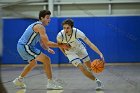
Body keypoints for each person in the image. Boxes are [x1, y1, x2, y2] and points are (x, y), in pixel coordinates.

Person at [13, 10, 70, 89]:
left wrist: (47, 49)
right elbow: (47, 42)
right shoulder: (40, 26)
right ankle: (50, 83)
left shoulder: (38, 26)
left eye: (49, 18)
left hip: (23, 46)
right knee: (46, 60)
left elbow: (42, 43)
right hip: (25, 46)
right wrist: (62, 45)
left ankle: (19, 80)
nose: (49, 20)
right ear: (41, 18)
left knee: (33, 63)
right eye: (47, 18)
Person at [57, 19, 104, 90]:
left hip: (79, 48)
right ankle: (97, 81)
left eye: (68, 28)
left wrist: (100, 53)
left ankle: (90, 70)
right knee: (81, 67)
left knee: (90, 67)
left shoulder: (78, 32)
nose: (66, 30)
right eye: (64, 28)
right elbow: (59, 45)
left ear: (72, 27)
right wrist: (65, 54)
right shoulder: (60, 35)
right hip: (70, 51)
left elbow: (90, 44)